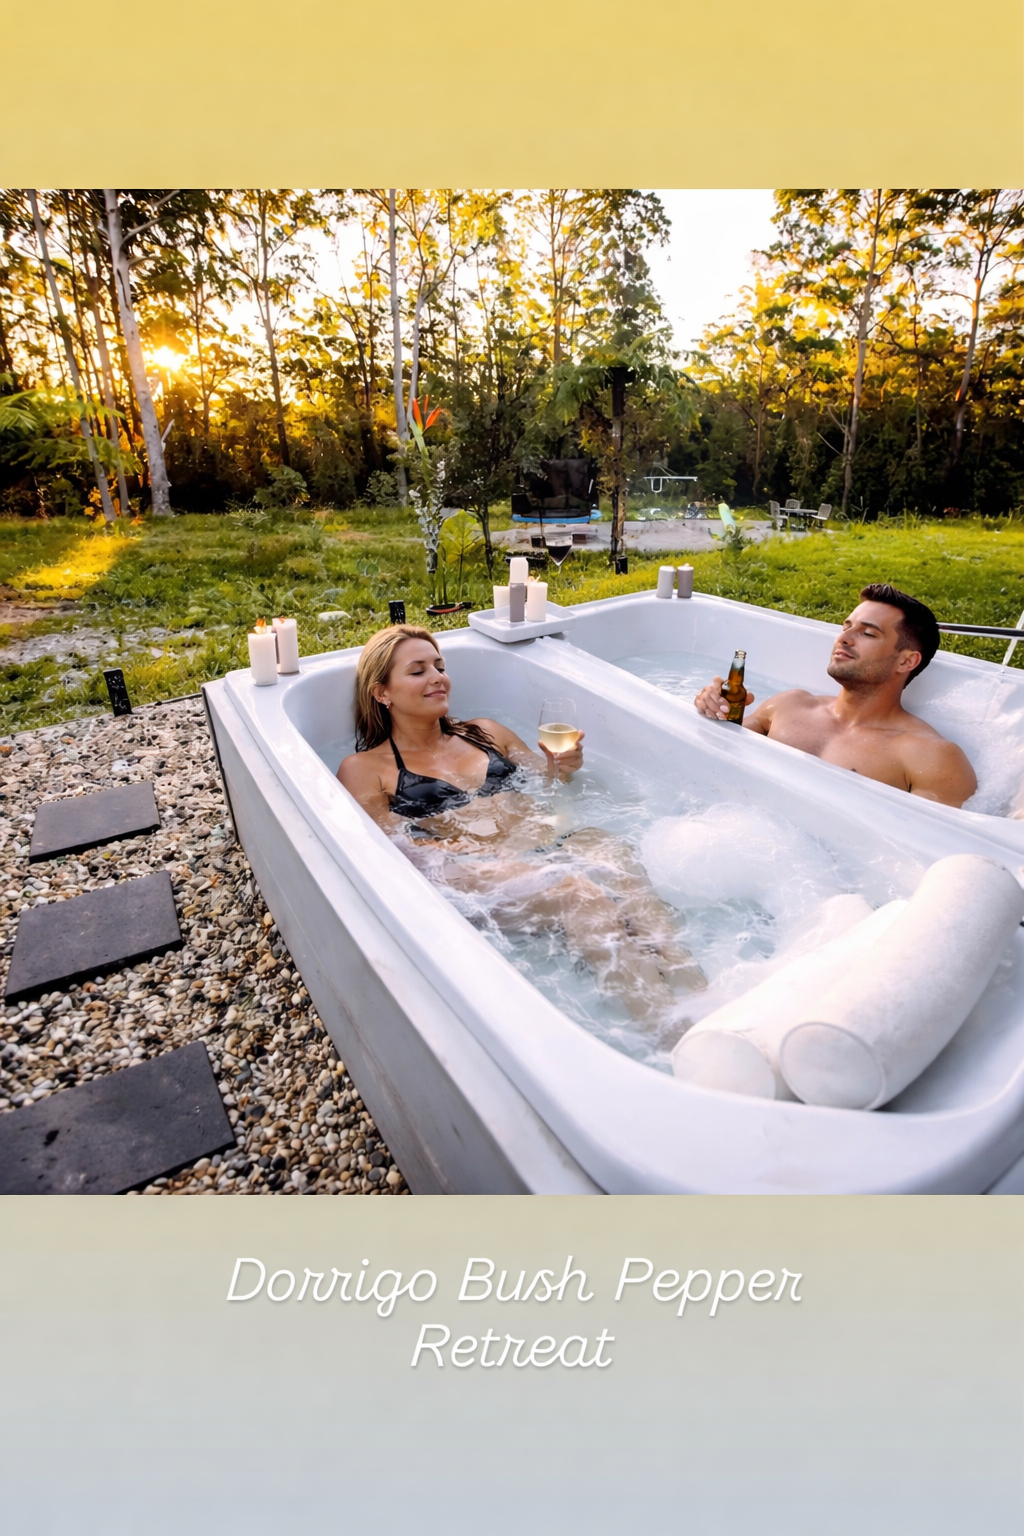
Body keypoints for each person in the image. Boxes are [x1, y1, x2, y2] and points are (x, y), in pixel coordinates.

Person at [338, 624, 704, 1018]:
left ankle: (701, 995)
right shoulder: (365, 768)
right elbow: (386, 847)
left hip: (543, 844)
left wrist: (564, 766)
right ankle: (667, 1028)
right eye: (418, 670)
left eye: (440, 666)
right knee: (580, 895)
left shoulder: (487, 732)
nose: (438, 677)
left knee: (612, 850)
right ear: (381, 693)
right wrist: (452, 848)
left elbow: (546, 779)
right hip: (480, 870)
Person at [693, 583, 977, 808]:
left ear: (906, 662)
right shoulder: (789, 705)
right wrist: (714, 708)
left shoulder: (931, 757)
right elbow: (718, 760)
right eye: (846, 626)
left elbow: (935, 859)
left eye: (867, 633)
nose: (843, 637)